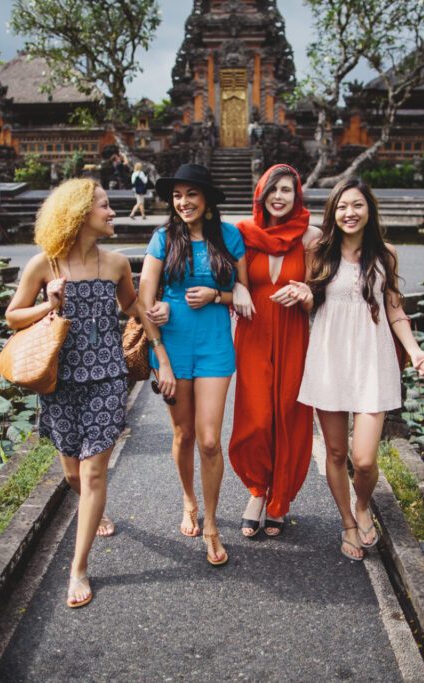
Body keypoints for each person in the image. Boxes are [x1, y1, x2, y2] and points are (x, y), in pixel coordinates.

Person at [5, 178, 139, 608]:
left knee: (94, 472)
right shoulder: (46, 265)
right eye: (104, 206)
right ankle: (92, 510)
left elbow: (131, 307)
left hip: (107, 377)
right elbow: (12, 317)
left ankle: (78, 567)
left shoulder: (117, 263)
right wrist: (49, 303)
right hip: (60, 382)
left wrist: (155, 325)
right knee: (72, 474)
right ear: (80, 214)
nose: (112, 212)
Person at [298, 177, 424, 561]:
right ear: (332, 212)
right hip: (329, 359)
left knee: (363, 459)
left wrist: (414, 351)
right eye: (342, 206)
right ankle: (347, 521)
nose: (349, 213)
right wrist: (302, 295)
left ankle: (363, 505)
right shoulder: (318, 251)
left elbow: (395, 309)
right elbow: (310, 302)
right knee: (334, 451)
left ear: (369, 209)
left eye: (357, 205)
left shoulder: (385, 254)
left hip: (372, 362)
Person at [138, 163, 253, 566]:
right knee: (184, 434)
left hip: (215, 346)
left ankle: (212, 524)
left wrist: (216, 296)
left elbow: (244, 293)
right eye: (177, 196)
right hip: (171, 347)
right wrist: (161, 361)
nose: (183, 202)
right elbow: (144, 302)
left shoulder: (229, 237)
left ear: (206, 201)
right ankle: (189, 500)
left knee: (208, 439)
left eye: (191, 194)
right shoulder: (162, 238)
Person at [230, 164, 322, 538]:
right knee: (256, 417)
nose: (280, 197)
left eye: (287, 190)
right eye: (273, 190)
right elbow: (228, 278)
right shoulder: (243, 234)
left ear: (297, 194)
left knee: (288, 414)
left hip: (292, 336)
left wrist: (305, 294)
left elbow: (318, 298)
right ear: (262, 194)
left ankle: (280, 499)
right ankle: (257, 490)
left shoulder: (311, 237)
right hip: (253, 334)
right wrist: (237, 288)